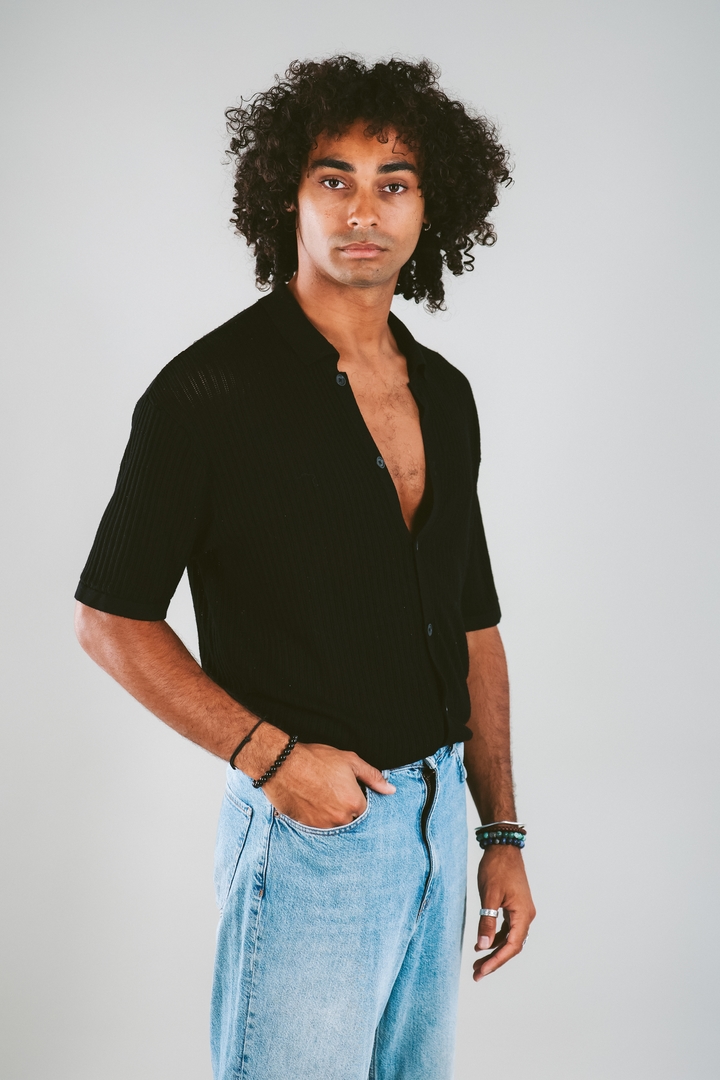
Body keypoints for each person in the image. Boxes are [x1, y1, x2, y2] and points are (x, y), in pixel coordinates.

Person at [74, 55, 536, 1080]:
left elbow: (473, 623)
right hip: (314, 834)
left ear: (431, 207)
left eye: (393, 183)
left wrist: (499, 832)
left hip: (439, 826)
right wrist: (276, 763)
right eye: (334, 179)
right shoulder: (206, 395)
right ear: (286, 195)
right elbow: (110, 618)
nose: (363, 210)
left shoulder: (446, 393)